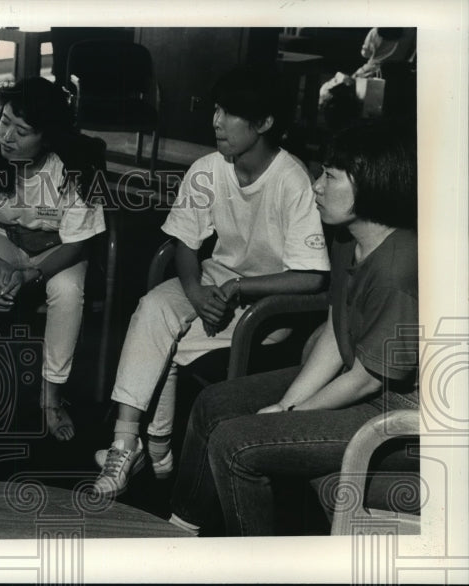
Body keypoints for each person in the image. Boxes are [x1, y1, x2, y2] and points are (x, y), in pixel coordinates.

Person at [166, 121, 418, 536]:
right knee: (213, 404)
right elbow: (339, 337)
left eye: (330, 176)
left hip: (399, 415)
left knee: (237, 445)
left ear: (374, 182)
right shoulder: (345, 240)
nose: (316, 187)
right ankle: (179, 531)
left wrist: (291, 412)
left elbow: (365, 382)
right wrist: (288, 404)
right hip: (364, 383)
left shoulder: (398, 266)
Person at [92, 66, 330, 496]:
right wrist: (198, 293)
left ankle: (157, 444)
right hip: (213, 286)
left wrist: (240, 289)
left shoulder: (292, 181)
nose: (216, 121)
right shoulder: (208, 167)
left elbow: (311, 277)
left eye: (230, 113)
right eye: (216, 109)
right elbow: (184, 243)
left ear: (265, 123)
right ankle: (126, 442)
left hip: (265, 310)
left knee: (159, 341)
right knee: (153, 309)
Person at [0, 77, 106, 441]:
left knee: (67, 291)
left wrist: (30, 274)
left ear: (47, 136)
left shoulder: (77, 164)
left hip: (60, 248)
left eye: (23, 130)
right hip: (4, 240)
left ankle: (51, 395)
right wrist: (1, 268)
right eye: (4, 121)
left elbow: (78, 244)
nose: (7, 136)